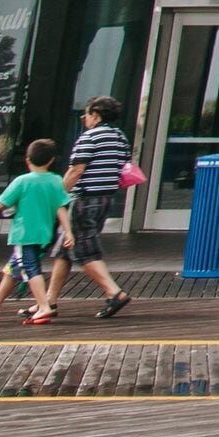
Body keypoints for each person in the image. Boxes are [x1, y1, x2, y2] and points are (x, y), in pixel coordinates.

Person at [53, 96, 135, 319]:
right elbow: (124, 167)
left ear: (96, 115)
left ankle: (114, 292)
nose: (84, 118)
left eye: (87, 113)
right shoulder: (120, 137)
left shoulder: (89, 137)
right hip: (106, 198)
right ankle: (48, 302)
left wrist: (55, 196)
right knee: (65, 252)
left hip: (85, 198)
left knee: (83, 249)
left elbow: (76, 171)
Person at [0, 137, 70, 325]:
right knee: (13, 269)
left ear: (27, 159)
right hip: (43, 234)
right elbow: (61, 207)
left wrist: (11, 205)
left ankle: (43, 306)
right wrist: (69, 232)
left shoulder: (22, 181)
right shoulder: (56, 180)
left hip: (24, 234)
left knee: (30, 268)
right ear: (51, 160)